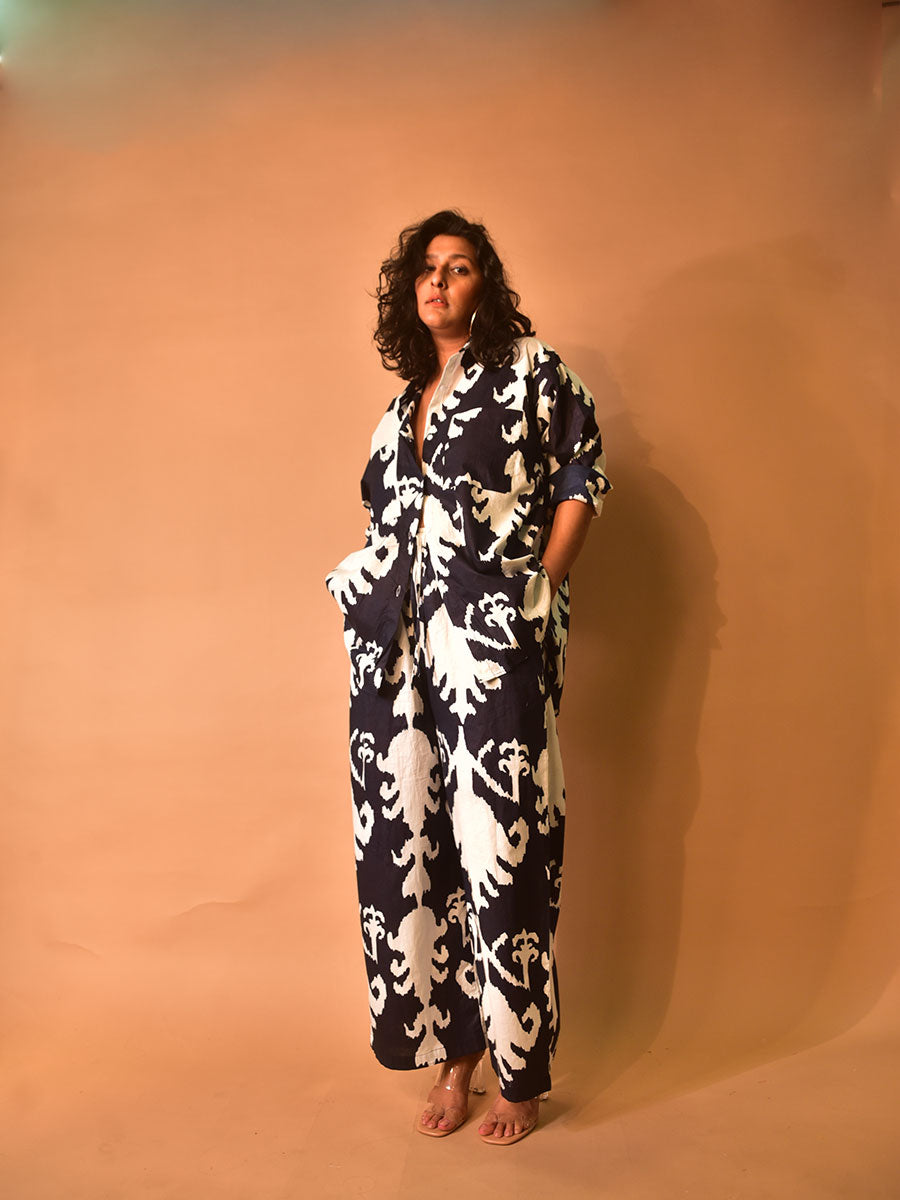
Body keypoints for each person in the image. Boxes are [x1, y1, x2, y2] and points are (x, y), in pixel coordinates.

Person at [325, 209, 610, 1145]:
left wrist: (543, 586)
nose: (439, 281)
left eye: (458, 267)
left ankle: (518, 1073)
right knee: (416, 850)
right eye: (426, 269)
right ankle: (455, 1058)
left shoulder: (532, 370)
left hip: (490, 646)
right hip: (397, 662)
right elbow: (386, 523)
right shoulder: (398, 408)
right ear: (409, 293)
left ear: (486, 284)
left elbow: (581, 470)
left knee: (502, 847)